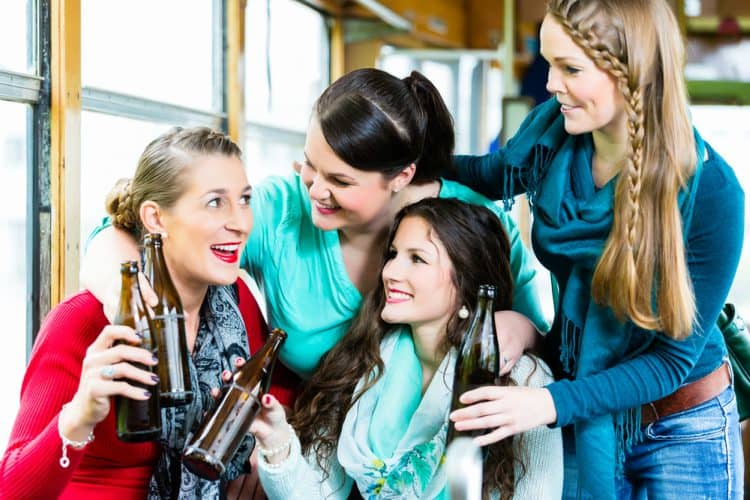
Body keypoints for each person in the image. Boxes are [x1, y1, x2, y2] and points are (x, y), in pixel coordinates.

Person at [447, 0, 745, 498]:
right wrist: (403, 158)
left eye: (570, 68)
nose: (549, 84)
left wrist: (548, 404)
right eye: (549, 62)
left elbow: (670, 361)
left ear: (630, 72)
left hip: (682, 422)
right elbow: (486, 174)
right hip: (581, 405)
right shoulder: (550, 138)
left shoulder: (711, 192)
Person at [81, 68, 549, 385]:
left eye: (340, 180)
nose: (316, 191)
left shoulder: (475, 226)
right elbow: (131, 230)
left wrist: (519, 327)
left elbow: (540, 337)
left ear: (401, 176)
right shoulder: (284, 209)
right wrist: (130, 294)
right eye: (310, 165)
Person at [0, 127, 280, 498]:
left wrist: (266, 459)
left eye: (244, 199)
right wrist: (80, 413)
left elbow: (278, 396)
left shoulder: (239, 304)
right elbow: (11, 490)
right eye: (215, 202)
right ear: (155, 218)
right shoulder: (83, 320)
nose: (241, 223)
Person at [250, 198, 563, 499]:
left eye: (417, 259)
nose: (390, 273)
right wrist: (276, 440)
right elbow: (316, 494)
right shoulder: (364, 360)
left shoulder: (522, 379)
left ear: (467, 279)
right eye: (393, 254)